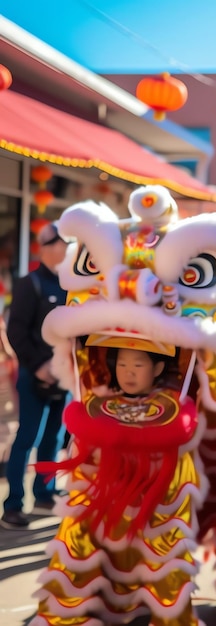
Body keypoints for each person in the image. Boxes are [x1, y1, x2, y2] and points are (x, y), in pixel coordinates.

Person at [1, 222, 68, 529]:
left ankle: (45, 492)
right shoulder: (31, 283)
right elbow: (16, 330)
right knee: (28, 436)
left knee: (54, 437)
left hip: (64, 376)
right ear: (48, 247)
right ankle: (13, 504)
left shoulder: (71, 284)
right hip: (34, 375)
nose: (67, 249)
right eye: (62, 243)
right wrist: (39, 365)